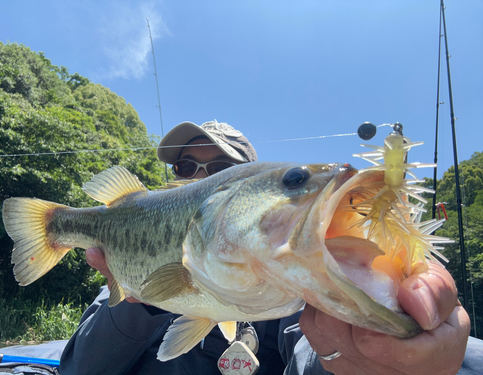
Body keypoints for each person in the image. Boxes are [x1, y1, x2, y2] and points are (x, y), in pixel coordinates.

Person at [59, 120, 481, 375]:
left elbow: (309, 352)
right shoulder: (120, 285)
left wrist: (360, 359)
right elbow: (79, 369)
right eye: (185, 167)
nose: (197, 179)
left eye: (220, 169)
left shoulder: (290, 282)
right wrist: (141, 302)